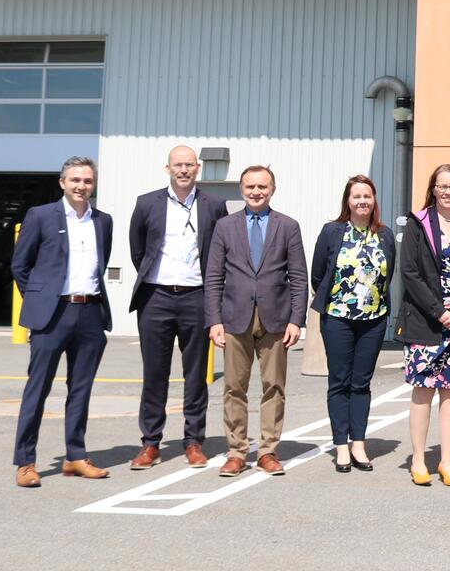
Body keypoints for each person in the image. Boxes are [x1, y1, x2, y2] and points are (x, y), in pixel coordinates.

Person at [10, 156, 114, 487]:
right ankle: (25, 462)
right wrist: (39, 299)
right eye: (75, 180)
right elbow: (20, 266)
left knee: (81, 389)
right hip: (52, 315)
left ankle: (75, 456)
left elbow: (101, 263)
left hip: (90, 313)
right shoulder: (40, 216)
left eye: (87, 181)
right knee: (38, 388)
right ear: (62, 182)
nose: (81, 186)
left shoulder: (103, 221)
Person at [126, 145, 225, 470]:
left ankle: (193, 441)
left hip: (196, 297)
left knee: (195, 374)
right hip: (156, 297)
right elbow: (138, 250)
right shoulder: (147, 203)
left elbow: (220, 252)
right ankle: (150, 443)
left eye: (189, 165)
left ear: (198, 168)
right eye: (178, 165)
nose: (183, 170)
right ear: (167, 168)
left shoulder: (213, 205)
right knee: (154, 374)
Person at [205, 165, 308, 477]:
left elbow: (299, 277)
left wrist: (296, 320)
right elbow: (214, 276)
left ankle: (267, 451)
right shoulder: (225, 226)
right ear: (241, 189)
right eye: (250, 186)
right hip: (234, 318)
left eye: (262, 186)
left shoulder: (288, 226)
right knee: (233, 387)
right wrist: (214, 320)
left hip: (275, 320)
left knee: (274, 386)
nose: (256, 192)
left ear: (272, 189)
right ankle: (236, 452)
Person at [396, 164, 450, 487]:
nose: (448, 191)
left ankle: (447, 460)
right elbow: (409, 272)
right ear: (433, 189)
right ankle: (419, 459)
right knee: (423, 390)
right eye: (442, 186)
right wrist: (439, 311)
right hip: (426, 320)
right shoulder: (418, 223)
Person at [310, 175, 395, 474]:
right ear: (348, 200)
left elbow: (389, 274)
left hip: (373, 320)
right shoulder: (333, 231)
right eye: (356, 196)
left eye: (367, 196)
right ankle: (341, 446)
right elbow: (318, 274)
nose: (362, 201)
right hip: (337, 318)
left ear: (374, 200)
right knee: (339, 381)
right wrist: (338, 300)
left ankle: (358, 442)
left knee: (361, 383)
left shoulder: (384, 235)